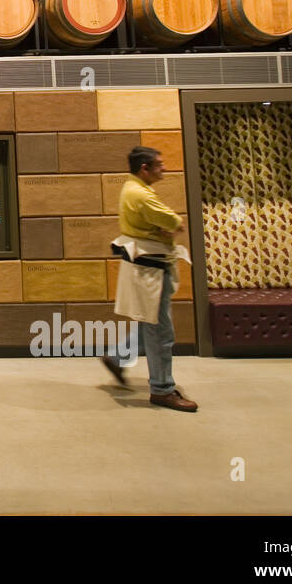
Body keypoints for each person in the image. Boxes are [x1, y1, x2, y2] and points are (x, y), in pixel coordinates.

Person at [101, 146, 198, 412]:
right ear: (144, 168)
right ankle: (162, 389)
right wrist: (169, 227)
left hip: (149, 268)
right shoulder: (140, 194)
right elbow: (173, 221)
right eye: (160, 164)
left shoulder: (133, 189)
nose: (164, 167)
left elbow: (164, 222)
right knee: (161, 332)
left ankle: (118, 358)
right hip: (151, 269)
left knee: (150, 324)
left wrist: (163, 228)